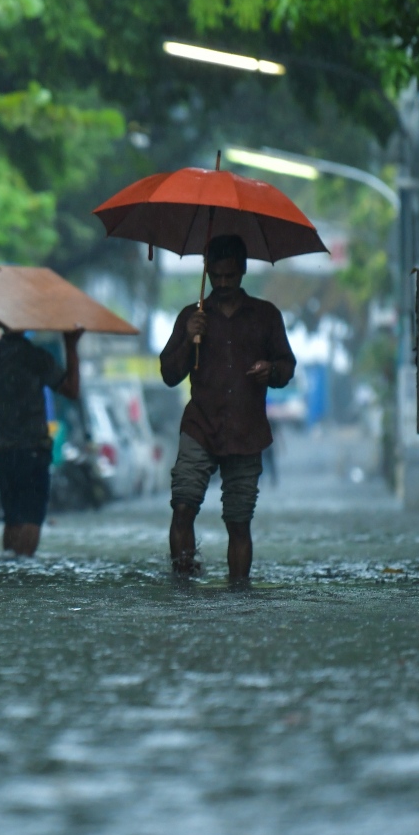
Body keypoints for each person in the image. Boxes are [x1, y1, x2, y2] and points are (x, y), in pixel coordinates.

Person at [160, 234, 295, 581]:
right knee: (183, 506)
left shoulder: (266, 316)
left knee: (238, 519)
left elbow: (287, 365)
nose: (222, 284)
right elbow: (169, 373)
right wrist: (189, 339)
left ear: (243, 272)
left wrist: (272, 371)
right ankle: (183, 582)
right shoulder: (192, 316)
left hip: (246, 430)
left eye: (229, 276)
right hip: (200, 426)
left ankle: (238, 591)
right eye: (216, 276)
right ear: (207, 271)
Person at [0, 309, 83, 557]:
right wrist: (71, 345)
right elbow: (72, 390)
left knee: (11, 518)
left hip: (1, 451)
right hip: (32, 450)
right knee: (31, 517)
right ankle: (23, 576)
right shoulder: (37, 358)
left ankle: (10, 578)